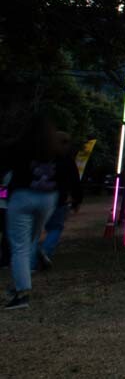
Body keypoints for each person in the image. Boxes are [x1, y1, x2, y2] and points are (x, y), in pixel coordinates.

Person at [2, 115, 64, 310]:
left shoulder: (18, 147)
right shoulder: (56, 150)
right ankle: (19, 283)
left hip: (22, 197)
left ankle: (22, 292)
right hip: (48, 199)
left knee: (19, 246)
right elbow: (65, 175)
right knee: (30, 241)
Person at [37, 133, 83, 269]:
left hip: (38, 196)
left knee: (35, 229)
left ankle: (33, 258)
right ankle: (45, 250)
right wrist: (77, 199)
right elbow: (75, 181)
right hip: (58, 198)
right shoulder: (67, 160)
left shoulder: (41, 157)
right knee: (56, 227)